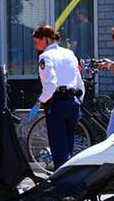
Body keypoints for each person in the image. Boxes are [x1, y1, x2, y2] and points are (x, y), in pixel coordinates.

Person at [29, 24, 85, 169]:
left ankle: (62, 184)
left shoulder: (45, 57)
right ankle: (70, 180)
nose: (36, 45)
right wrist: (79, 101)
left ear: (46, 39)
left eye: (37, 41)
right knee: (68, 145)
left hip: (57, 104)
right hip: (73, 102)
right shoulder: (69, 53)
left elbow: (50, 86)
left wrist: (38, 103)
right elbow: (79, 82)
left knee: (59, 147)